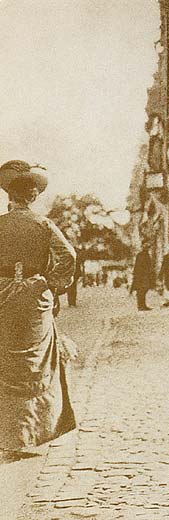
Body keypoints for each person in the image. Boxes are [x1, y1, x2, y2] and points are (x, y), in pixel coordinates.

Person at [0, 160, 77, 452]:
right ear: (32, 196)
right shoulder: (43, 224)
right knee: (35, 363)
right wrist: (52, 283)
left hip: (3, 295)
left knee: (5, 361)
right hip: (35, 297)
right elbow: (68, 256)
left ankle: (9, 437)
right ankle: (36, 432)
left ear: (10, 195)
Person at [131, 244, 154, 311]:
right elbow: (137, 266)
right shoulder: (140, 255)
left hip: (145, 275)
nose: (148, 248)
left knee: (144, 290)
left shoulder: (147, 255)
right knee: (141, 291)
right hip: (141, 276)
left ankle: (143, 305)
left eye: (148, 247)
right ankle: (140, 306)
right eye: (147, 247)